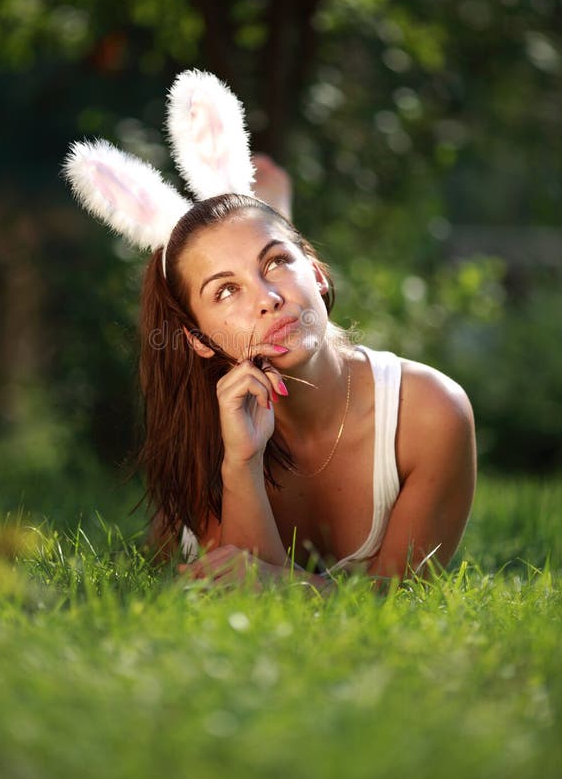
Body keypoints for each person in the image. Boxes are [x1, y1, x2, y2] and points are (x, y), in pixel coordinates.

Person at [64, 70, 476, 590]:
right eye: (225, 291)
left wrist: (289, 587)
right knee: (163, 553)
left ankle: (273, 223)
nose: (267, 300)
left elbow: (399, 601)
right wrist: (240, 461)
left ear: (320, 273)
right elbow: (239, 603)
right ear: (197, 338)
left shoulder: (430, 413)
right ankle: (271, 228)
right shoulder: (203, 423)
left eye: (276, 264)